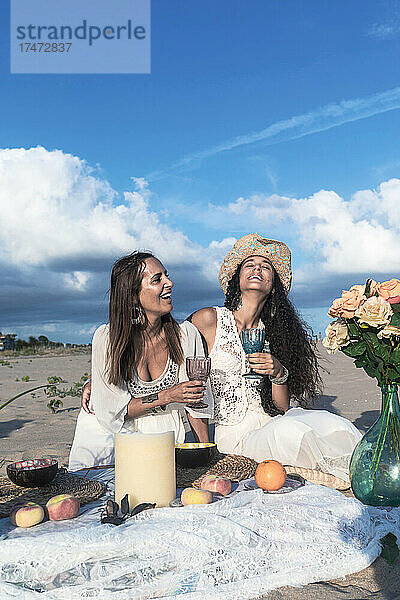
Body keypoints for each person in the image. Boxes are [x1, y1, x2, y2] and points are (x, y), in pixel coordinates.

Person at [190, 233, 361, 481]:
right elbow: (190, 387)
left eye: (266, 266)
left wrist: (278, 373)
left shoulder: (278, 333)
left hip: (275, 421)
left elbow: (281, 408)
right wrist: (205, 454)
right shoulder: (209, 320)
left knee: (336, 425)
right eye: (249, 264)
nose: (257, 268)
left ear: (274, 285)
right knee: (290, 432)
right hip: (235, 437)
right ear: (237, 278)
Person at [69, 251, 212, 471]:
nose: (170, 283)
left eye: (166, 275)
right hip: (115, 437)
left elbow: (196, 405)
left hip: (167, 433)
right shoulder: (108, 339)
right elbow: (114, 413)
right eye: (157, 279)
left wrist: (205, 454)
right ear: (133, 296)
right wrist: (168, 395)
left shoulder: (185, 335)